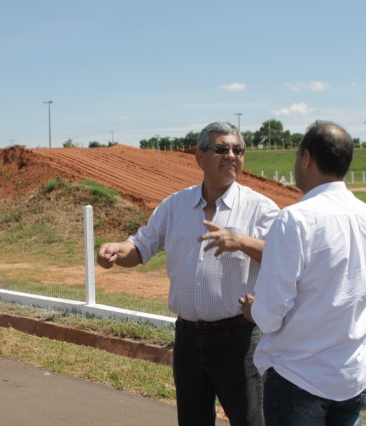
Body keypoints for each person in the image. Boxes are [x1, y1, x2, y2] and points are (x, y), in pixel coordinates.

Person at [97, 121, 279, 425]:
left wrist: (241, 240)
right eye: (222, 149)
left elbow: (285, 258)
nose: (232, 156)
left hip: (240, 340)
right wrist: (117, 251)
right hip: (188, 339)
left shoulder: (260, 209)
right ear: (200, 156)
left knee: (251, 421)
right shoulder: (175, 206)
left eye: (238, 150)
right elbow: (141, 247)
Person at [238, 121, 366, 425]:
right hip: (351, 376)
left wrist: (253, 310)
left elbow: (269, 315)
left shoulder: (295, 219)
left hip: (299, 378)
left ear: (306, 158)